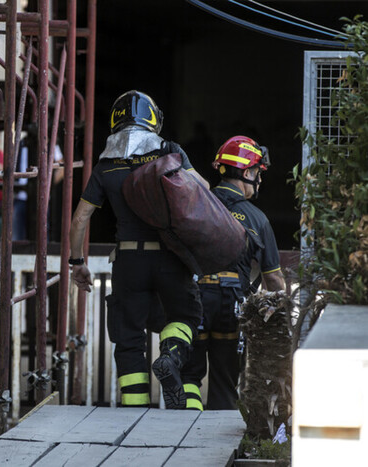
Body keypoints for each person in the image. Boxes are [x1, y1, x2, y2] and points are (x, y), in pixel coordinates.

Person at [69, 90, 205, 409]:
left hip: (128, 260)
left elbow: (80, 219)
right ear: (154, 119)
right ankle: (171, 355)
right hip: (170, 256)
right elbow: (204, 190)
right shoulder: (171, 152)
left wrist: (78, 263)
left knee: (129, 335)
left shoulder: (106, 166)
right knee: (186, 315)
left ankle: (134, 410)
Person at [180, 136, 286, 411]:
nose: (259, 181)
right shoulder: (256, 218)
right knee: (225, 381)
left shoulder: (194, 205)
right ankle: (212, 441)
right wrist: (282, 317)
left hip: (194, 300)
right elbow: (272, 279)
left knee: (189, 375)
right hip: (231, 305)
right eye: (257, 174)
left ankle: (186, 425)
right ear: (246, 172)